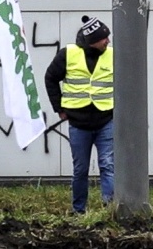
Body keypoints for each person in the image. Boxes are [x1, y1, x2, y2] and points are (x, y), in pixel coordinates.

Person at [44, 16, 114, 214]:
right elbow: (50, 78)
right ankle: (78, 211)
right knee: (80, 170)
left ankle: (110, 209)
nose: (108, 41)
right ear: (92, 40)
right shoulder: (68, 54)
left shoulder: (112, 55)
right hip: (78, 123)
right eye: (104, 38)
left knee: (108, 165)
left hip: (106, 120)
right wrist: (59, 108)